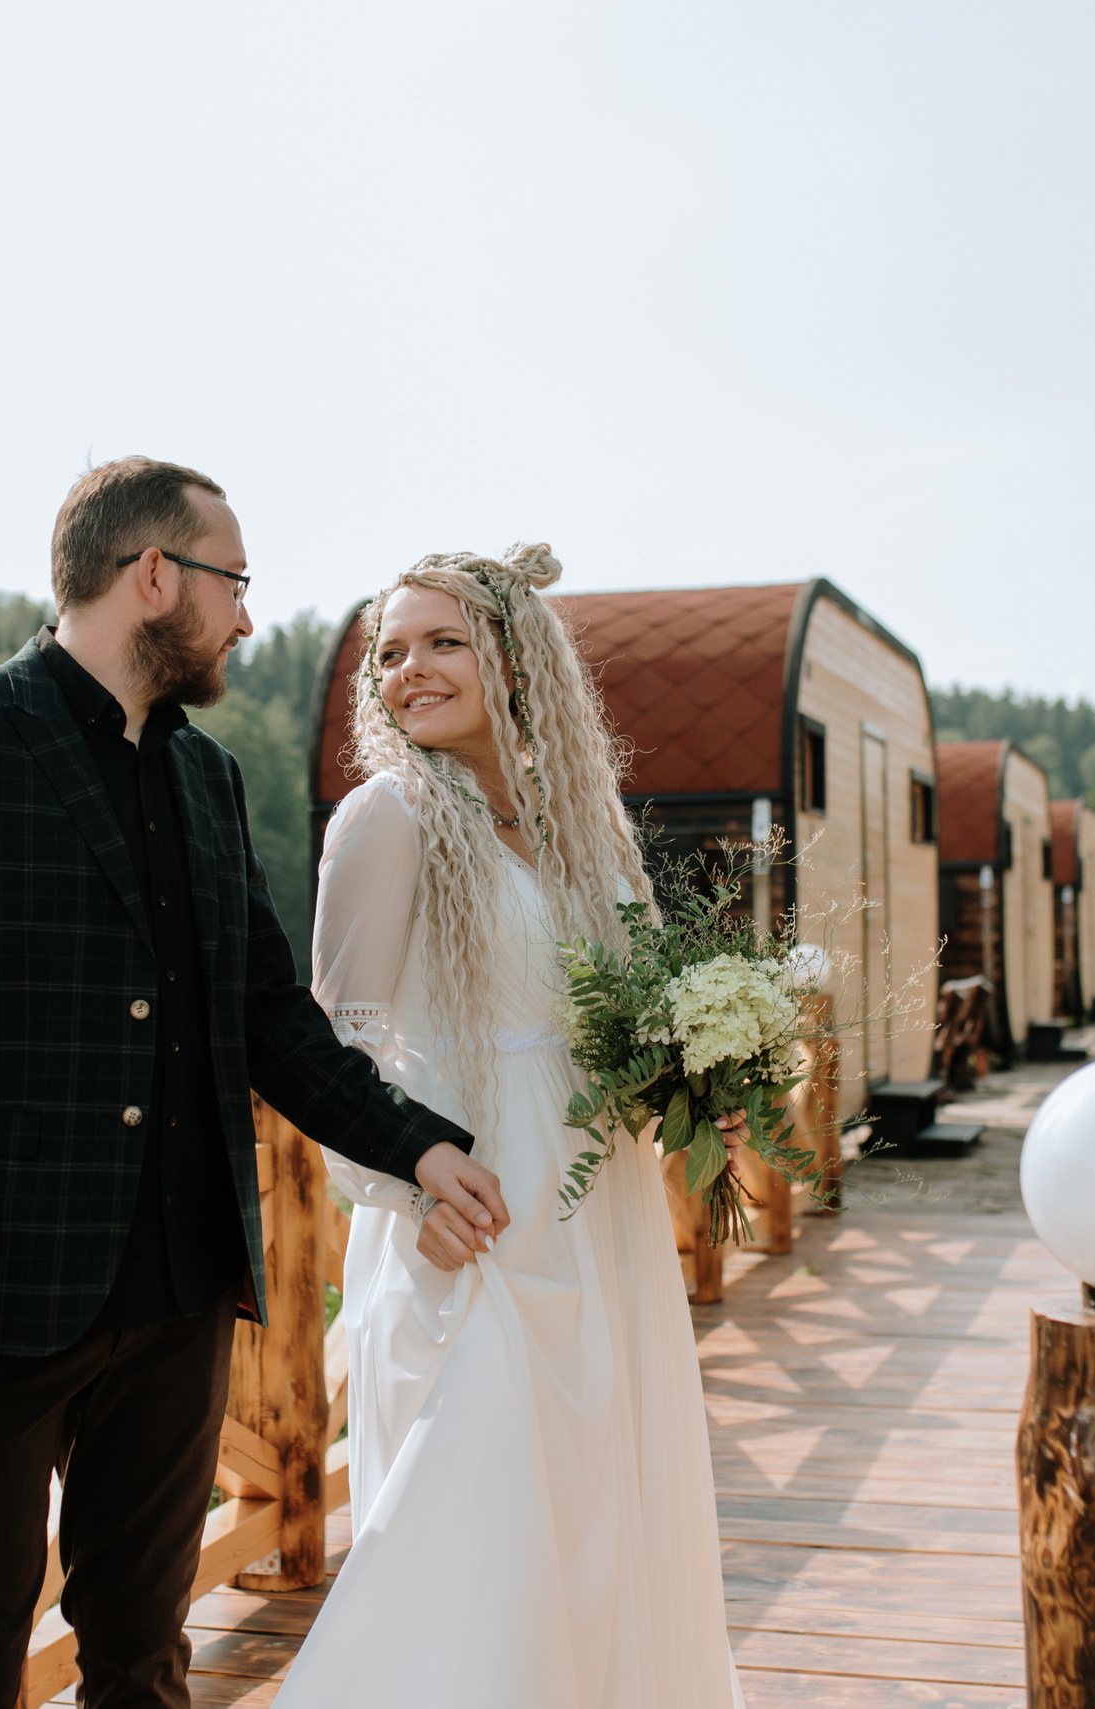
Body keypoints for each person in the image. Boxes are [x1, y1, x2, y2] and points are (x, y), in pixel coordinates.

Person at [0, 457, 510, 1709]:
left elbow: (266, 1016)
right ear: (153, 576)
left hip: (183, 1288)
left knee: (143, 1650)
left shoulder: (208, 777)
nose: (247, 616)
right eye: (233, 582)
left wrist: (415, 1145)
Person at [276, 544, 741, 1708]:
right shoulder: (386, 818)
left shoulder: (576, 819)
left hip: (596, 1201)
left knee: (594, 1506)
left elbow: (627, 1004)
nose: (407, 670)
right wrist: (404, 1188)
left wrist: (699, 1070)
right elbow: (340, 1041)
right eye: (387, 651)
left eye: (442, 641)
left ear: (515, 660)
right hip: (467, 1205)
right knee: (466, 1515)